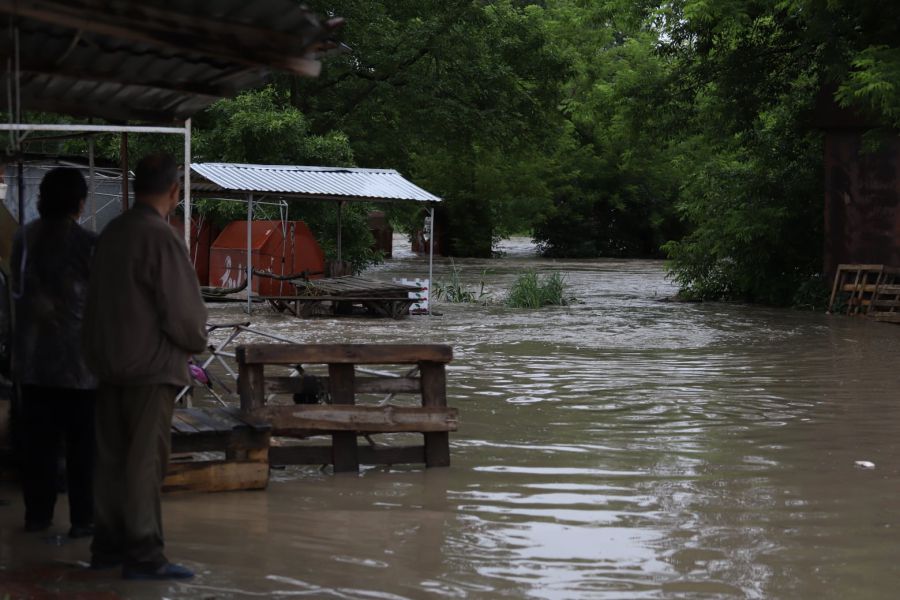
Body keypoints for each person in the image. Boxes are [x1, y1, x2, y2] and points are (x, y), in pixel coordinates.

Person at [83, 153, 207, 580]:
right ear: (174, 191)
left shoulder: (113, 231)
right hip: (149, 370)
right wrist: (195, 344)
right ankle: (143, 554)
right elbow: (185, 317)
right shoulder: (161, 236)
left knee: (111, 459)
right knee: (143, 463)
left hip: (107, 365)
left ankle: (107, 548)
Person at [10, 167, 97, 537]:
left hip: (33, 364)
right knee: (83, 453)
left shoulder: (24, 239)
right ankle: (82, 521)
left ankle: (37, 518)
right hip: (82, 368)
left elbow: (18, 292)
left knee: (38, 450)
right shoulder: (90, 244)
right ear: (79, 204)